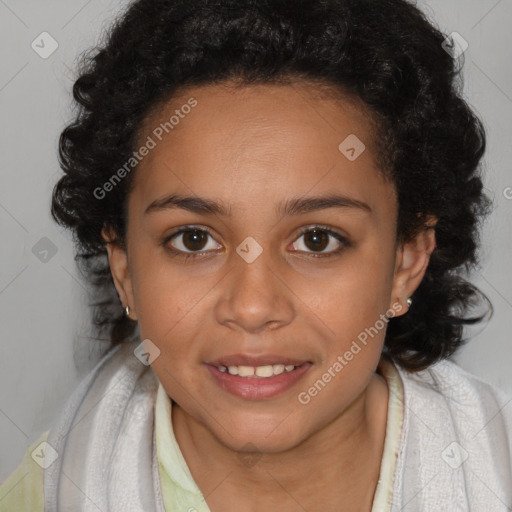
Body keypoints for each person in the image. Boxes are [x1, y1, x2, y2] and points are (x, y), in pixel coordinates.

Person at [1, 0, 511, 510]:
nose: (252, 306)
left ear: (406, 261)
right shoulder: (51, 490)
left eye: (317, 239)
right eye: (194, 240)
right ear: (124, 267)